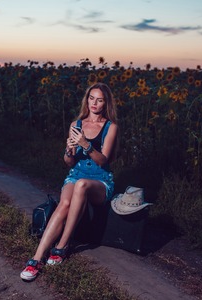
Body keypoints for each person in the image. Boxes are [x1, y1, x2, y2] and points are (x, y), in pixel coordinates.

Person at [20, 82, 118, 281]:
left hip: (99, 180)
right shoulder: (76, 124)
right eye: (91, 98)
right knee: (64, 203)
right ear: (87, 99)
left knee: (82, 185)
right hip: (76, 173)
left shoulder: (110, 126)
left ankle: (61, 246)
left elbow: (103, 160)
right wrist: (69, 150)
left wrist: (86, 145)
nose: (94, 103)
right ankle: (37, 258)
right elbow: (68, 162)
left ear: (105, 102)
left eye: (99, 100)